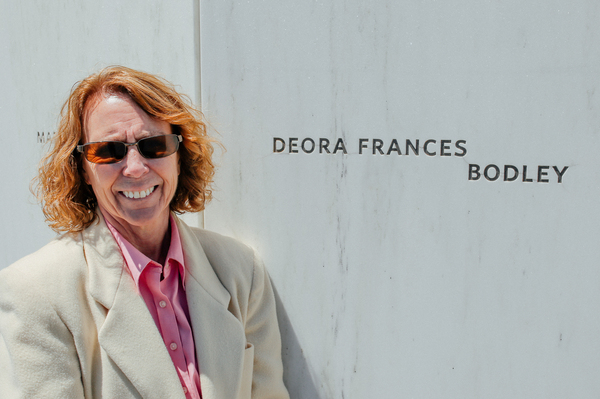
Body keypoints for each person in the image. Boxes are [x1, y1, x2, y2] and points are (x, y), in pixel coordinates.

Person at [0, 66, 289, 399]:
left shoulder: (241, 271)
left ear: (180, 154)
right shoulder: (35, 292)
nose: (135, 168)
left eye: (154, 146)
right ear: (82, 168)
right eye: (109, 151)